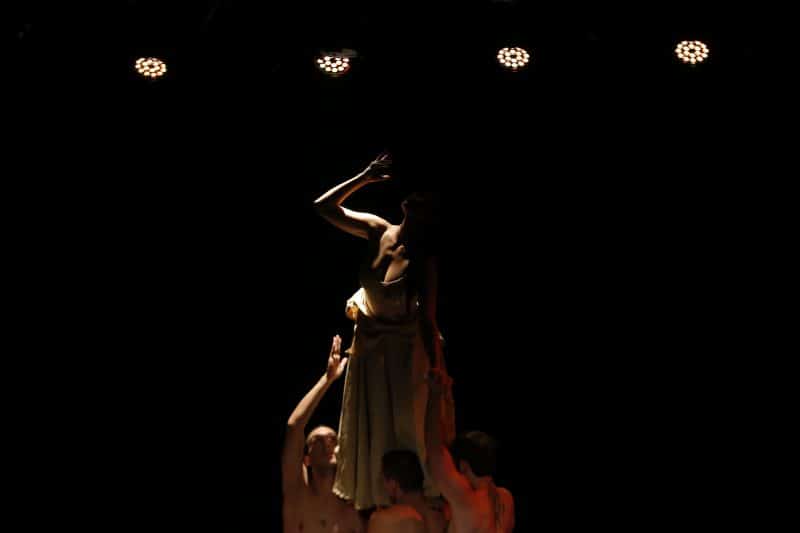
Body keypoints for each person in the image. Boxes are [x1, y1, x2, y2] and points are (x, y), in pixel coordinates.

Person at [314, 153, 455, 510]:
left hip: (405, 352)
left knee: (408, 427)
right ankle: (378, 505)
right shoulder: (378, 230)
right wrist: (364, 177)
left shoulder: (423, 259)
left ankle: (420, 506)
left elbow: (429, 321)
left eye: (423, 201)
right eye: (413, 197)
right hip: (371, 348)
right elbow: (323, 207)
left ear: (430, 212)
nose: (414, 203)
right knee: (373, 426)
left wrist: (437, 371)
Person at [281, 334, 365, 533]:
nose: (327, 443)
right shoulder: (298, 494)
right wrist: (327, 379)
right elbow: (294, 427)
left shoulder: (353, 507)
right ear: (306, 459)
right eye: (317, 441)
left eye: (333, 439)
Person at [425, 369, 515, 533]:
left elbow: (435, 452)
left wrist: (435, 393)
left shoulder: (464, 497)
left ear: (463, 466)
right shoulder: (505, 498)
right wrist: (448, 400)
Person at [367, 450, 448, 533]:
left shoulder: (384, 520)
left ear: (392, 484)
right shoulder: (444, 511)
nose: (383, 487)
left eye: (382, 480)